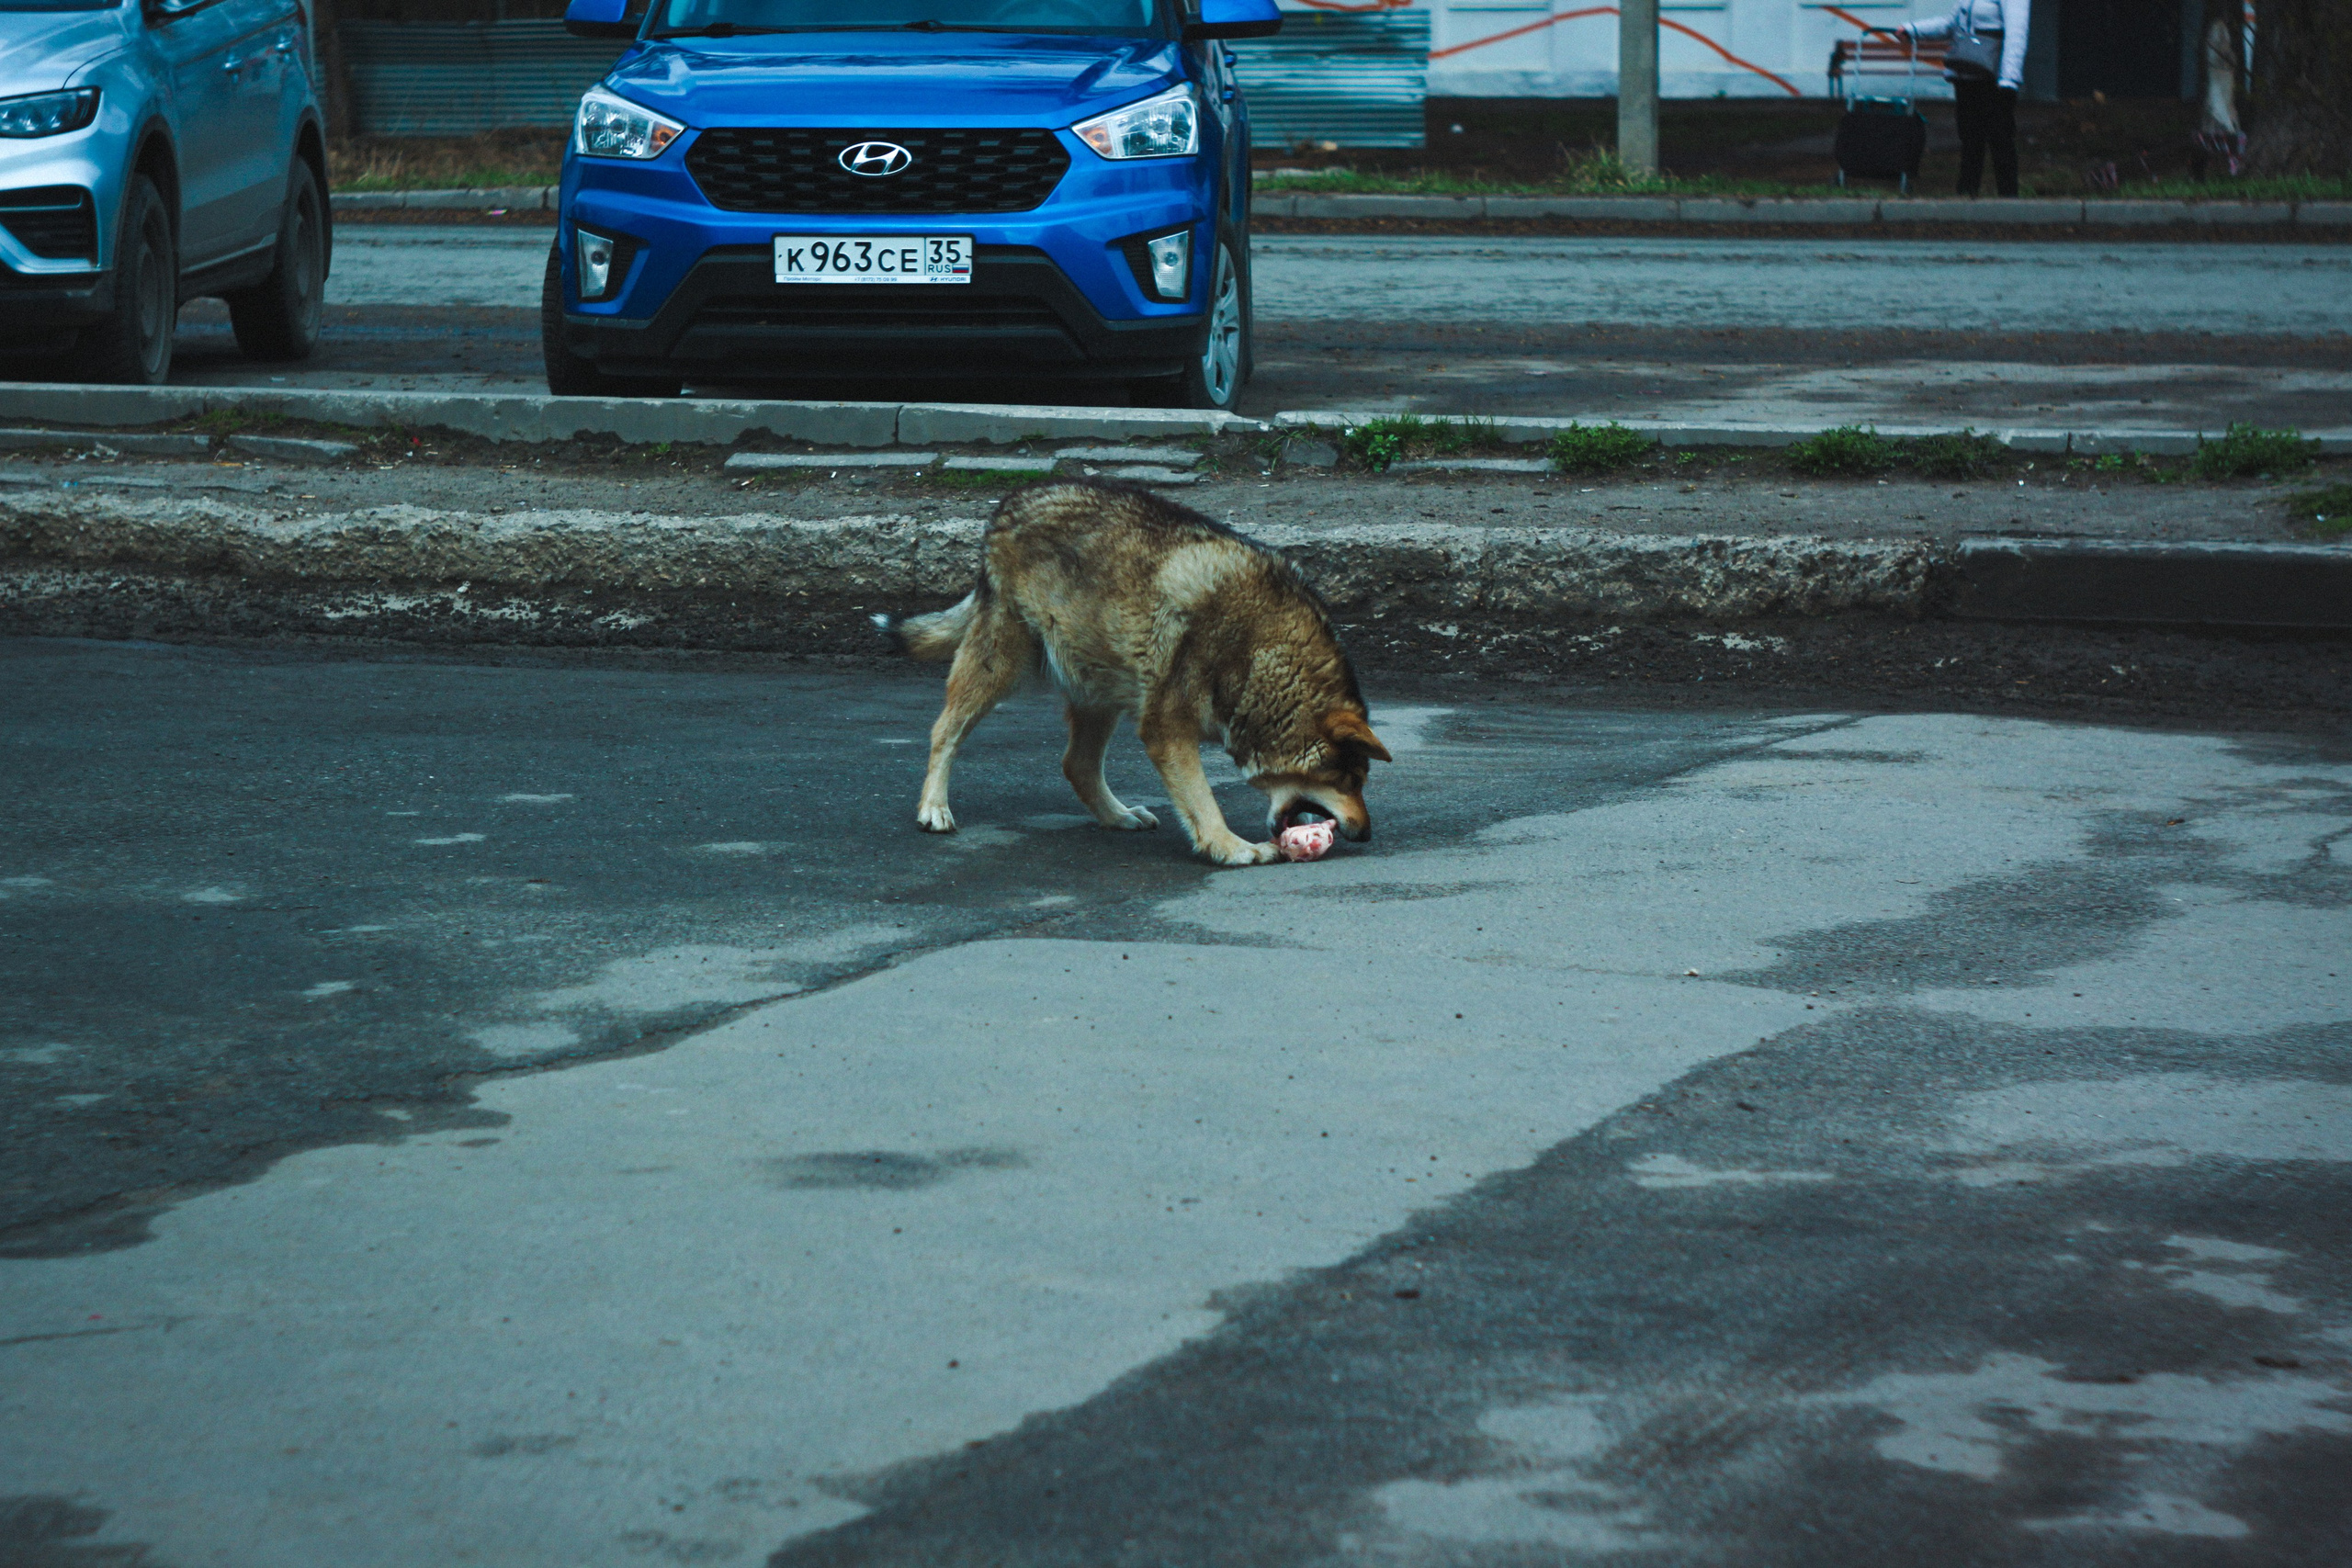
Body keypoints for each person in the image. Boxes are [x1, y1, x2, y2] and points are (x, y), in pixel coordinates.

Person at [1898, 0, 2030, 197]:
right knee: (1969, 138)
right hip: (1967, 74)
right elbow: (1951, 24)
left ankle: (2008, 196)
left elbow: (2016, 34)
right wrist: (1912, 29)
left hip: (1994, 78)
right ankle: (1967, 193)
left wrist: (2009, 79)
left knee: (2000, 138)